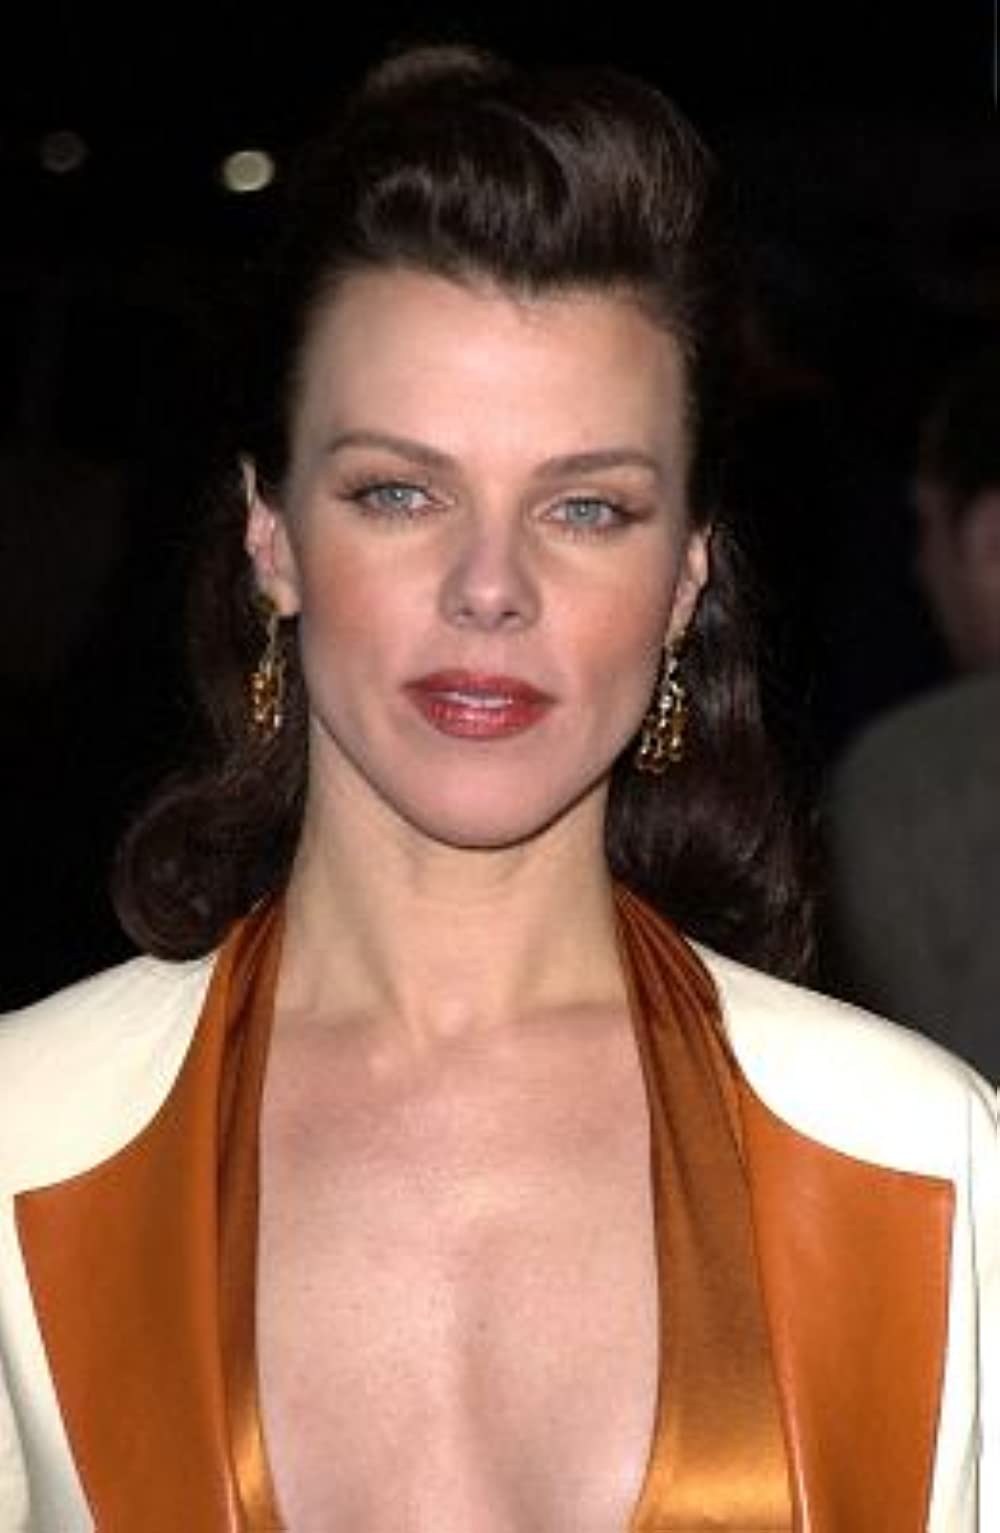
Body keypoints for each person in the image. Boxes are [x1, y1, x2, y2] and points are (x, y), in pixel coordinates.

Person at [0, 46, 995, 1532]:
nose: (490, 587)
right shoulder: (25, 1138)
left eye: (585, 507)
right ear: (272, 535)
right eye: (400, 491)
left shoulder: (920, 1160)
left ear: (686, 575)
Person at [828, 349, 1000, 1078]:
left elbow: (910, 1098)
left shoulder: (916, 776)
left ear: (989, 536)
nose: (918, 568)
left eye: (924, 526)